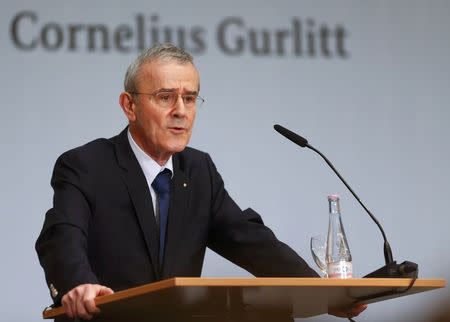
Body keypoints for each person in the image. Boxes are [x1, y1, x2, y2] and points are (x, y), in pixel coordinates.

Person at [36, 43, 366, 321]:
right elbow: (61, 234)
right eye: (165, 97)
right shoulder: (87, 164)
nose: (181, 111)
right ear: (129, 105)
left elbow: (250, 241)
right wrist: (78, 284)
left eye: (190, 98)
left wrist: (323, 293)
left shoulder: (198, 170)